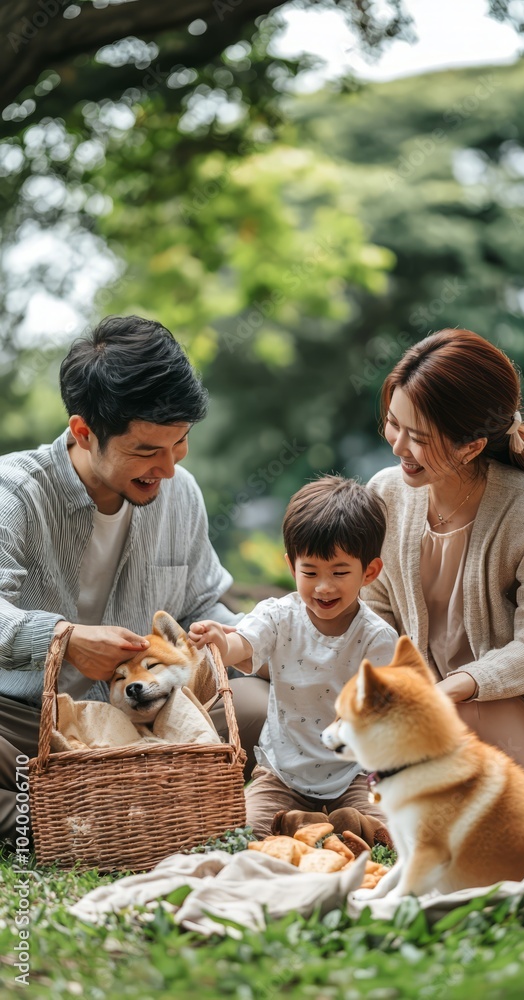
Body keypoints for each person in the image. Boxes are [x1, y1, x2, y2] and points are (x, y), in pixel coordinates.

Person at [0, 315, 269, 841]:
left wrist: (257, 637)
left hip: (154, 720)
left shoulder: (180, 492)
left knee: (258, 705)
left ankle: (76, 812)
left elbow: (202, 607)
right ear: (84, 432)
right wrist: (65, 640)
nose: (167, 469)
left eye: (180, 443)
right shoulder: (14, 492)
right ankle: (81, 820)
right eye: (146, 451)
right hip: (32, 723)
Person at [363, 327, 524, 814]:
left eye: (418, 438)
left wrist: (453, 688)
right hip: (421, 710)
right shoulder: (386, 495)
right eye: (392, 424)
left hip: (521, 720)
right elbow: (373, 612)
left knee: (479, 711)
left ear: (471, 446)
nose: (397, 446)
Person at [188, 475, 398, 840]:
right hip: (281, 774)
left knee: (389, 830)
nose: (323, 586)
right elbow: (243, 647)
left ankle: (322, 821)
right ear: (292, 567)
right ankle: (314, 822)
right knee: (245, 829)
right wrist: (221, 641)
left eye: (340, 572)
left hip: (352, 775)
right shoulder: (278, 615)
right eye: (310, 572)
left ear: (369, 572)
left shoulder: (377, 638)